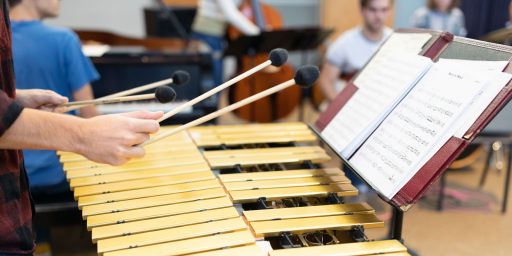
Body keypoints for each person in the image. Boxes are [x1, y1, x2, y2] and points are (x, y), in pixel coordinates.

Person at [0, 0, 162, 254]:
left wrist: (16, 101)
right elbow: (89, 115)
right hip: (50, 175)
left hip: (20, 177)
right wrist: (86, 135)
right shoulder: (63, 39)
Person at [9, 0, 99, 197]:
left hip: (11, 175)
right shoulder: (64, 39)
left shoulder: (4, 41)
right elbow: (90, 114)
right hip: (57, 174)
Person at [319, 0, 393, 104]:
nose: (378, 16)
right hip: (350, 105)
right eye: (373, 10)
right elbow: (326, 81)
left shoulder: (395, 40)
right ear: (362, 10)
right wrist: (339, 107)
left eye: (384, 10)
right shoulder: (344, 43)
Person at [191, 0, 261, 85]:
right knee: (211, 80)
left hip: (218, 34)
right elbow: (230, 14)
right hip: (207, 34)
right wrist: (257, 32)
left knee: (217, 78)